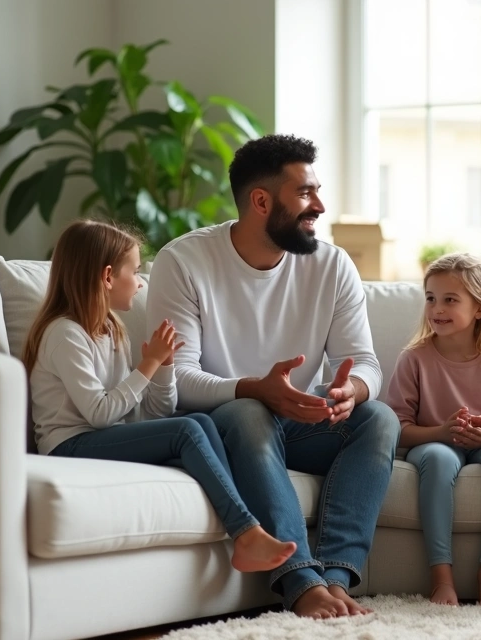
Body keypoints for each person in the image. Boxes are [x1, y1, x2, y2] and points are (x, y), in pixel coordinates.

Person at [146, 134, 401, 619]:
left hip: (298, 421)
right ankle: (299, 580)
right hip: (224, 423)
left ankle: (336, 575)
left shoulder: (332, 265)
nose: (320, 206)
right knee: (248, 412)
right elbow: (177, 378)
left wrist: (353, 390)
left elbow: (364, 361)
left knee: (378, 419)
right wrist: (255, 388)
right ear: (260, 201)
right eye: (305, 194)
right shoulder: (184, 262)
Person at [23, 219, 296, 575]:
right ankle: (246, 532)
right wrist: (147, 366)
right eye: (134, 272)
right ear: (107, 277)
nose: (139, 283)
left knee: (198, 422)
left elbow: (148, 416)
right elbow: (101, 414)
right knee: (186, 431)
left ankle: (246, 528)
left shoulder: (110, 330)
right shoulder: (65, 335)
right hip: (69, 445)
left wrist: (164, 369)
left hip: (100, 438)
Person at [385, 253, 481, 607]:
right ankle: (441, 579)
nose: (437, 308)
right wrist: (439, 431)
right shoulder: (414, 358)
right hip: (434, 442)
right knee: (436, 460)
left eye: (450, 300)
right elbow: (397, 428)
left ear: (480, 308)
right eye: (431, 298)